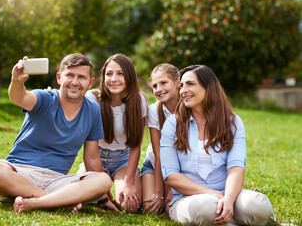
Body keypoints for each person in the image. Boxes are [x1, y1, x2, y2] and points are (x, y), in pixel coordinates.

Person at [0, 53, 112, 213]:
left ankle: (37, 202)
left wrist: (103, 197)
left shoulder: (92, 110)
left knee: (103, 180)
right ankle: (55, 201)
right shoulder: (44, 98)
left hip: (57, 181)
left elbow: (92, 157)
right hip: (21, 174)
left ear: (90, 82)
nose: (75, 82)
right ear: (59, 78)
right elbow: (19, 97)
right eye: (69, 75)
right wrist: (17, 81)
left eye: (81, 77)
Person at [160, 65, 275, 225]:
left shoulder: (232, 121)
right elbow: (171, 176)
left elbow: (236, 168)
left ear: (209, 87)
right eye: (182, 85)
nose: (183, 90)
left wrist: (228, 198)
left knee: (257, 204)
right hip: (188, 200)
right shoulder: (173, 124)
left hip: (227, 194)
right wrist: (211, 193)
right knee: (208, 208)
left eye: (190, 84)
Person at [78, 53, 147, 213]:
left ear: (129, 76)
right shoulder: (93, 99)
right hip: (97, 156)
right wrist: (104, 194)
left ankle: (127, 182)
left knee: (130, 206)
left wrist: (129, 182)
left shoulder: (139, 100)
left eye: (120, 73)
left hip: (123, 159)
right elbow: (89, 148)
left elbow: (136, 144)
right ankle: (103, 189)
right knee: (83, 197)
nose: (113, 79)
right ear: (103, 76)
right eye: (109, 74)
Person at [140, 63, 179, 214]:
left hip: (179, 168)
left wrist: (170, 190)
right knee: (151, 207)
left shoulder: (189, 107)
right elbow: (158, 155)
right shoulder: (154, 110)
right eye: (155, 86)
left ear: (177, 82)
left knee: (171, 207)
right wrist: (158, 193)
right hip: (155, 164)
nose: (159, 89)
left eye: (163, 83)